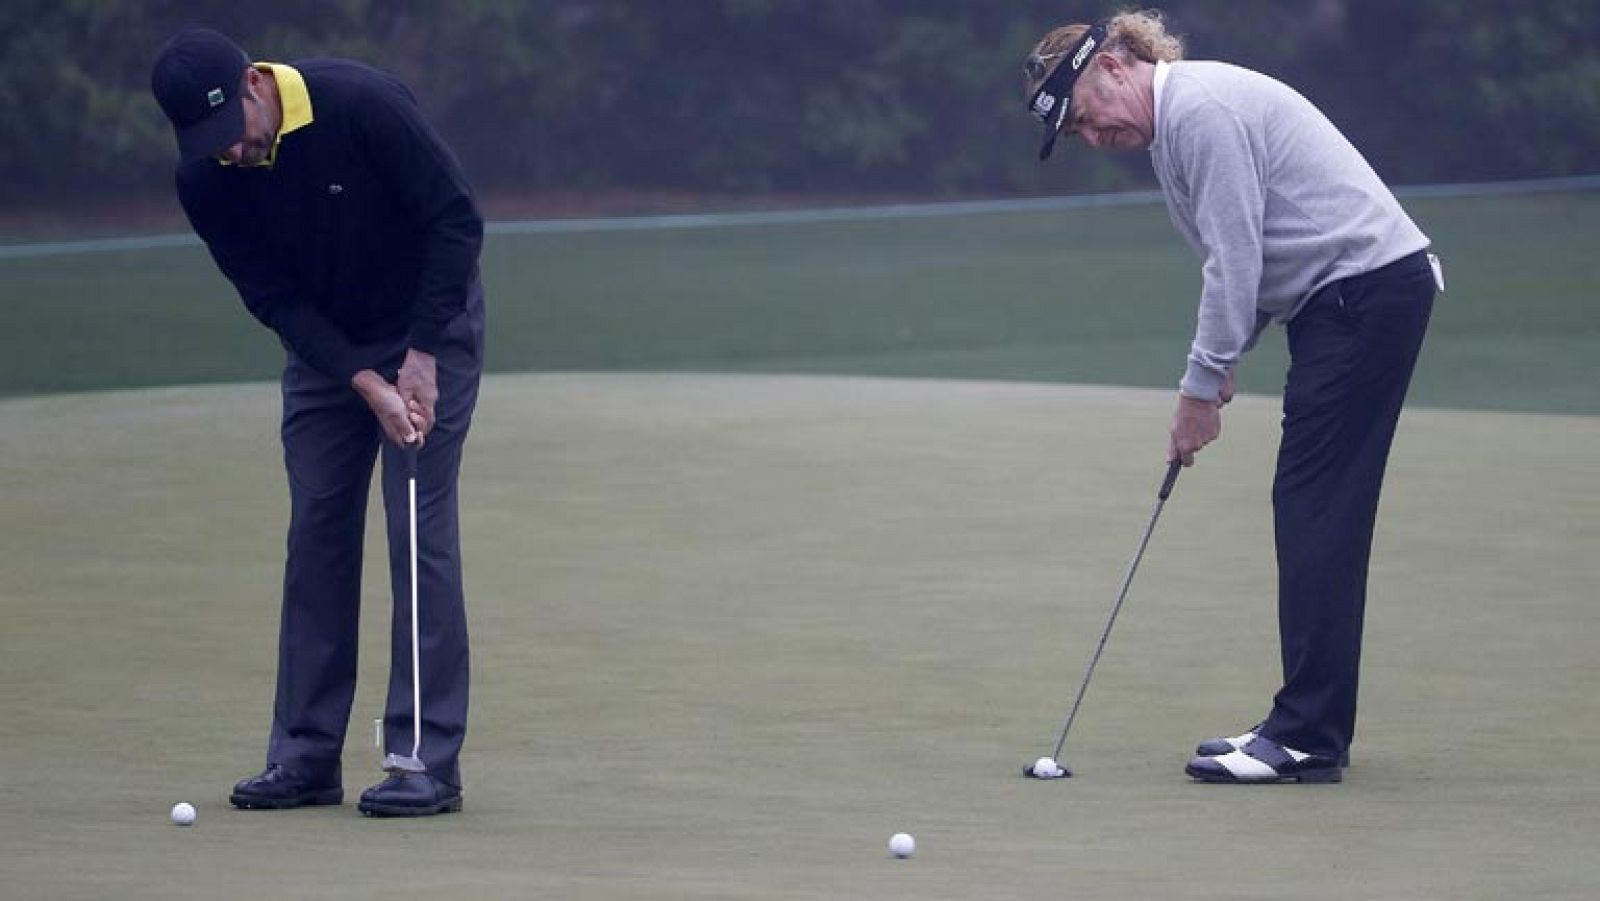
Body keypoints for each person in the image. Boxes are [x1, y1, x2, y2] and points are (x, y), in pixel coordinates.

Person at [1023, 10, 1438, 783]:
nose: (1091, 136)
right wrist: (1220, 365)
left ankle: (1309, 735)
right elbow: (1241, 262)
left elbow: (1235, 262)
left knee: (1316, 508)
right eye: (1074, 134)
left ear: (1113, 66)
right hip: (1350, 301)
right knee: (1316, 507)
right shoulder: (1175, 132)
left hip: (1362, 296)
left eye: (1084, 116)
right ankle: (1307, 725)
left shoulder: (1200, 114)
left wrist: (1198, 389)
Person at [151, 26, 486, 815]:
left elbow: (456, 220)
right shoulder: (205, 179)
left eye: (231, 133)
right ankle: (305, 755)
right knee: (317, 535)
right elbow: (271, 296)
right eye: (207, 144)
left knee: (414, 526)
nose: (227, 153)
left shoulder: (360, 105)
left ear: (253, 87)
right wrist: (360, 377)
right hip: (328, 352)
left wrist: (421, 355)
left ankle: (422, 759)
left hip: (428, 327)